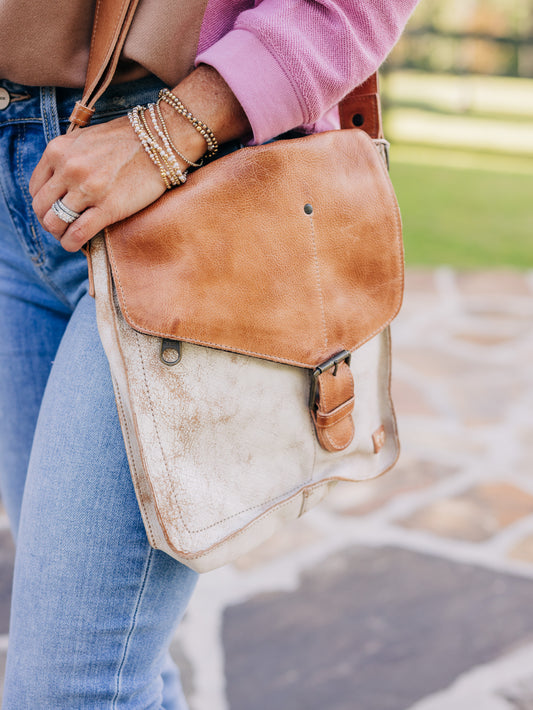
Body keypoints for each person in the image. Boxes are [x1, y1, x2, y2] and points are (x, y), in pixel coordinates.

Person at [0, 1, 419, 707]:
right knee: (116, 657)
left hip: (188, 182)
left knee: (70, 686)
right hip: (22, 184)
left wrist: (169, 132)